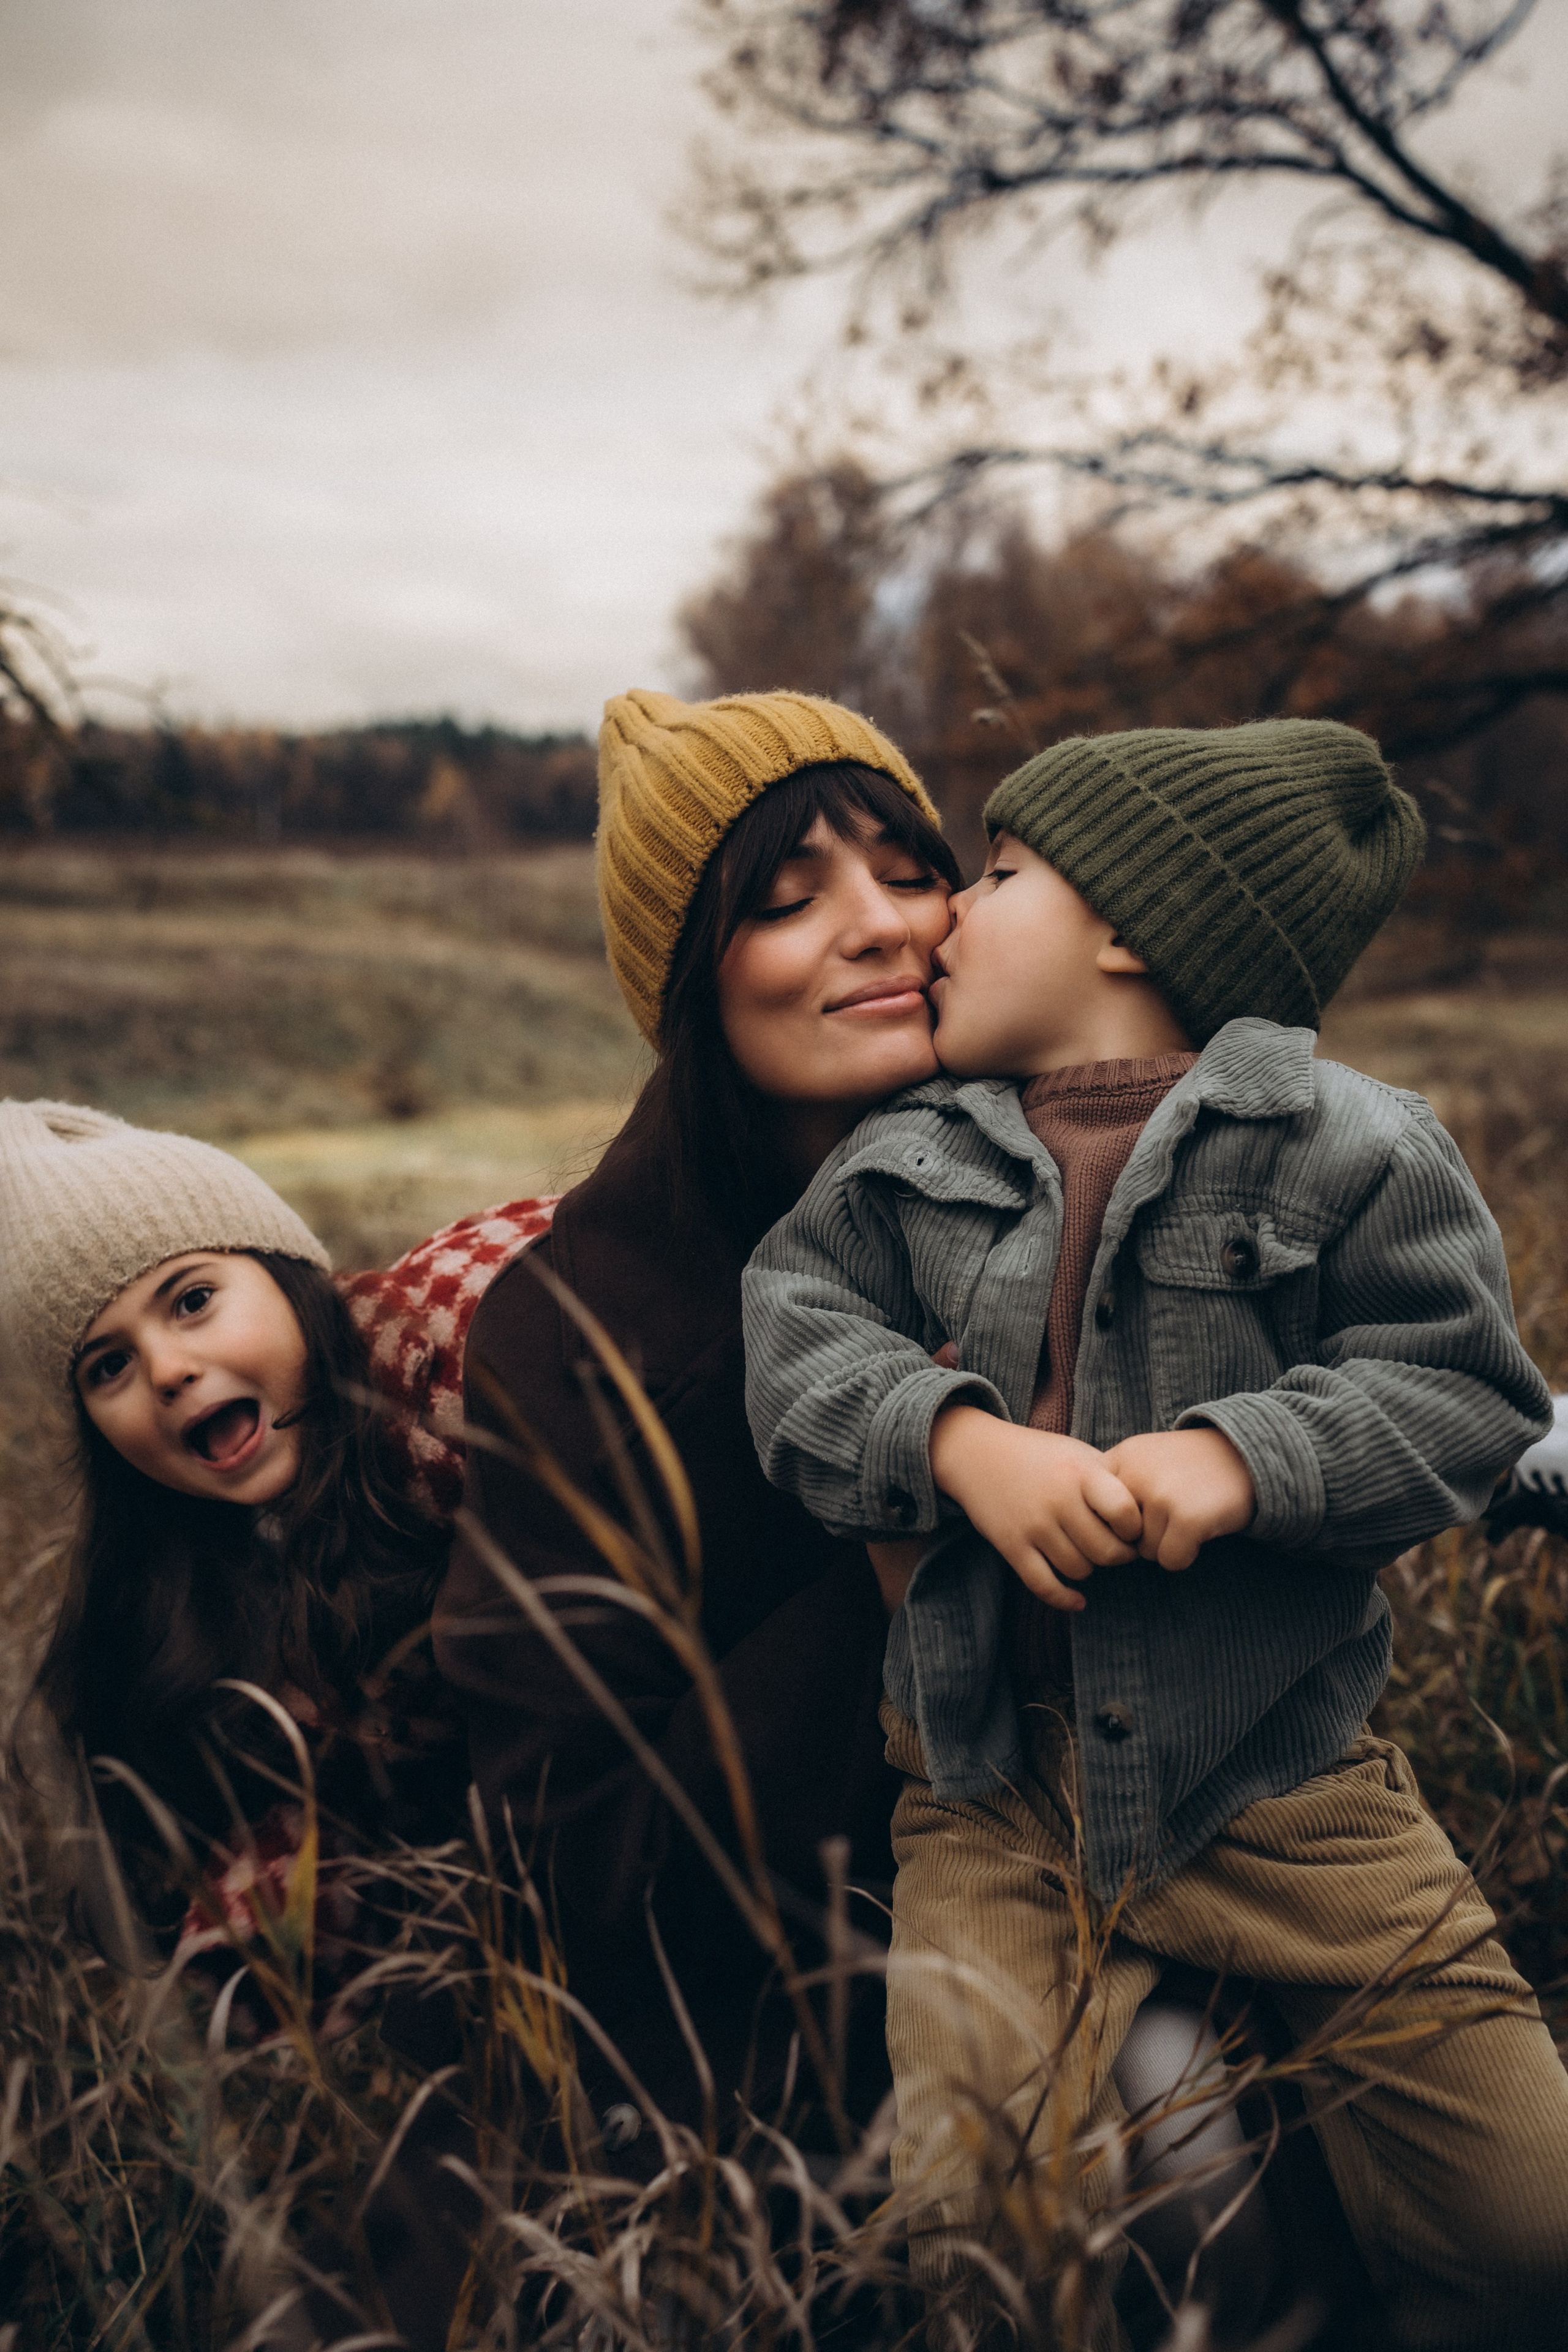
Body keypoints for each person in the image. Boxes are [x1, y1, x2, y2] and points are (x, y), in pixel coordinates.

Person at [742, 719, 1568, 2348]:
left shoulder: (1355, 1146)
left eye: (990, 873)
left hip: (1290, 1788)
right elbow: (796, 1351)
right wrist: (957, 1442)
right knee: (972, 2238)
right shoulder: (898, 1170)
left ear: (1124, 923)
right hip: (993, 1804)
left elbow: (1463, 1393)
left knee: (1533, 2223)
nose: (944, 917)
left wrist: (1245, 1463)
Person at [434, 687, 963, 2151]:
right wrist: (888, 1564)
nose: (880, 926)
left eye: (913, 872)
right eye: (790, 900)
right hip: (787, 2047)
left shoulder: (1082, 1156)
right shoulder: (571, 1335)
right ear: (689, 987)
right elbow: (573, 1853)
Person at [0, 1096, 551, 1929]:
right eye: (109, 1366)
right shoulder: (215, 1582)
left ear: (288, 1275)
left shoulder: (461, 1345)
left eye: (191, 1302)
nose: (168, 1371)